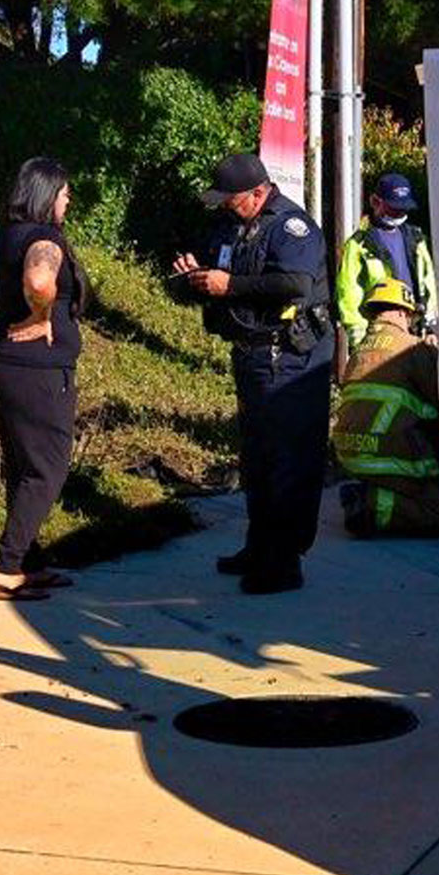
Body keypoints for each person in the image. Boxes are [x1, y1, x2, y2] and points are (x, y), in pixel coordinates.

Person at [169, 152, 333, 594]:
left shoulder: (292, 228)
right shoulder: (231, 225)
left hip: (291, 359)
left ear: (259, 192)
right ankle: (259, 546)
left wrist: (230, 285)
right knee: (257, 459)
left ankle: (285, 561)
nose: (224, 206)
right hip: (250, 354)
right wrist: (196, 280)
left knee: (288, 460)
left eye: (231, 199)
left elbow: (295, 284)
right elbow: (219, 276)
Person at [0, 158, 89, 600]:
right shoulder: (44, 240)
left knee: (23, 468)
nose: (68, 199)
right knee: (48, 469)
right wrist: (41, 315)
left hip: (0, 362)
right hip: (36, 370)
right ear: (46, 195)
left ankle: (27, 561)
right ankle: (6, 568)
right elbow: (40, 280)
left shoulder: (2, 237)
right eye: (63, 192)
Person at [334, 280, 439, 538]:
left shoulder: (358, 353)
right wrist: (434, 353)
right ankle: (371, 506)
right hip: (386, 458)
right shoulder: (412, 348)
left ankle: (374, 492)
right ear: (402, 312)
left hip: (351, 454)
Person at [333, 172, 437, 350]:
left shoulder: (416, 238)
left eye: (403, 208)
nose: (399, 213)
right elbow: (348, 293)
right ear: (375, 202)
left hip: (416, 327)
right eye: (394, 208)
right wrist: (360, 338)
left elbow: (428, 281)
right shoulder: (359, 244)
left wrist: (430, 323)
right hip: (380, 332)